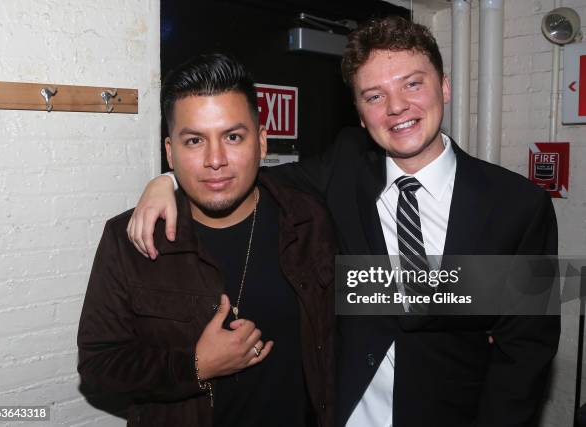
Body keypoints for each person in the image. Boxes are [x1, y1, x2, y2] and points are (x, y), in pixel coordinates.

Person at [126, 17, 559, 427]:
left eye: (412, 83)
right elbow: (235, 174)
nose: (396, 107)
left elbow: (525, 355)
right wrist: (167, 180)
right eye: (374, 96)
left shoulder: (518, 205)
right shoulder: (344, 166)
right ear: (359, 110)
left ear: (443, 86)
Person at [77, 53, 336, 427]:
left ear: (262, 143)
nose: (215, 159)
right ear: (170, 153)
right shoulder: (128, 238)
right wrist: (195, 366)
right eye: (195, 140)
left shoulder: (310, 220)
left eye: (233, 136)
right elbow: (98, 366)